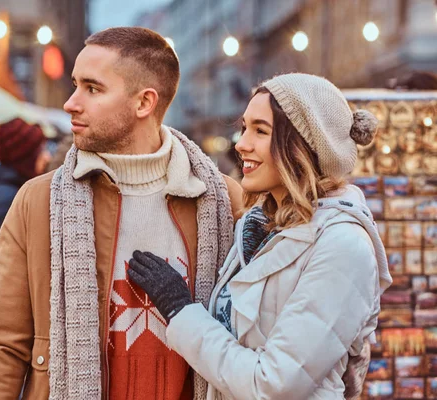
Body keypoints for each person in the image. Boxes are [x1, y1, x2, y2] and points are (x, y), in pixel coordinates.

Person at [0, 27, 243, 400]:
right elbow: (2, 347)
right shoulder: (38, 201)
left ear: (144, 103)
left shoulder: (224, 202)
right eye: (75, 84)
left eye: (92, 89)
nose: (71, 103)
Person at [128, 73, 393, 399]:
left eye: (260, 131)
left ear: (302, 146)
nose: (241, 144)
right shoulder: (257, 228)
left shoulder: (343, 247)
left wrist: (180, 310)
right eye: (244, 128)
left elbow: (270, 384)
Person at [0, 118, 50, 301]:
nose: (46, 157)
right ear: (25, 156)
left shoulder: (8, 190)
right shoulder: (8, 196)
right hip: (8, 302)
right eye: (40, 150)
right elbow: (8, 261)